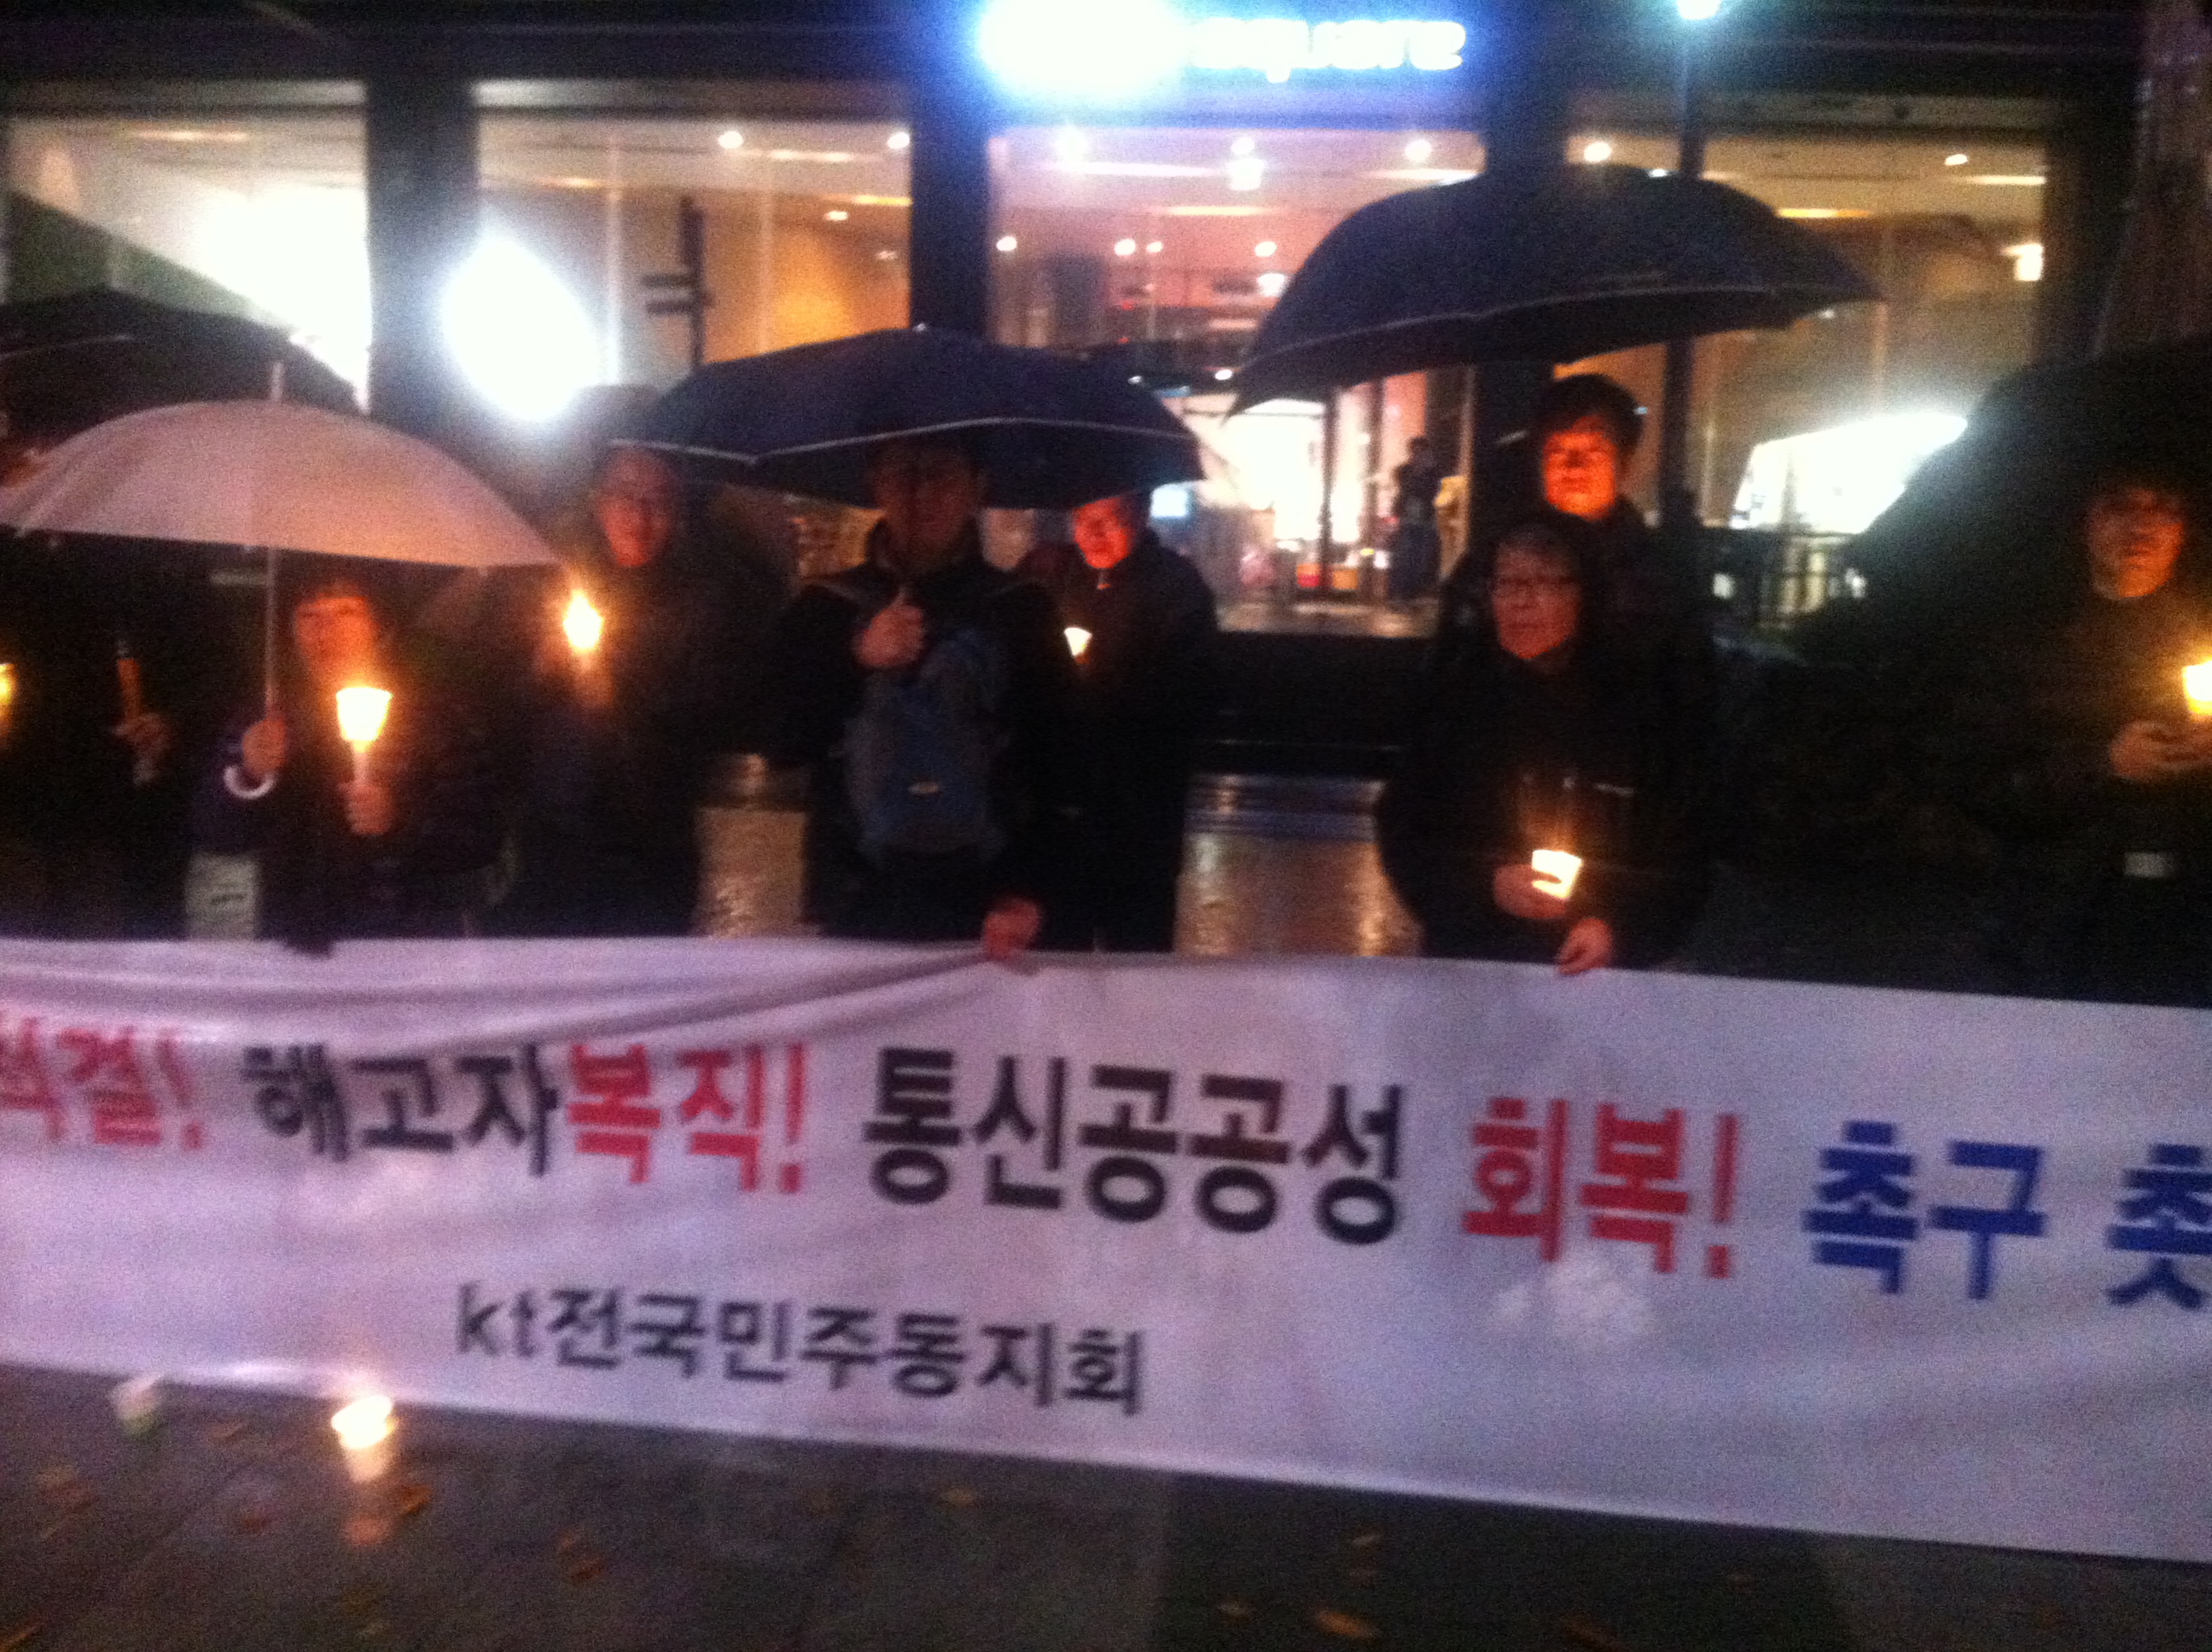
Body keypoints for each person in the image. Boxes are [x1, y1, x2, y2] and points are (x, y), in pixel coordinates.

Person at [765, 437, 1080, 957]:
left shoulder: (1020, 610)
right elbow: (783, 744)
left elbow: (1061, 759)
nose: (922, 493)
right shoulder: (825, 609)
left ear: (976, 487)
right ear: (876, 484)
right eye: (903, 474)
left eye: (942, 475)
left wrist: (1028, 889)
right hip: (858, 894)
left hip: (986, 901)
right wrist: (855, 657)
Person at [1378, 508, 1710, 974]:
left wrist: (1617, 927)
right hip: (1476, 966)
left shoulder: (1640, 711)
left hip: (1598, 976)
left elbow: (1682, 846)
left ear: (1586, 594)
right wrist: (1486, 885)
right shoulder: (1460, 702)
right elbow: (1406, 829)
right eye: (1507, 584)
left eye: (1544, 584)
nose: (1521, 602)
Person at [1947, 459, 2212, 1005]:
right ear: (2085, 522)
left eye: (2164, 511)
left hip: (2189, 919)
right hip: (2056, 919)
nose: (2142, 526)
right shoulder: (2028, 644)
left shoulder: (2202, 632)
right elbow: (1977, 782)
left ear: (2184, 531)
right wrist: (2104, 766)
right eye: (2120, 507)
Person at [492, 445, 765, 936]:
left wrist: (620, 695)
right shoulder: (548, 582)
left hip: (649, 836)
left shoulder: (703, 600)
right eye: (626, 495)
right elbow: (500, 708)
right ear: (598, 500)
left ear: (677, 511)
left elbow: (718, 717)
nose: (639, 516)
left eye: (657, 499)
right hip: (552, 832)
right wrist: (541, 670)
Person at [191, 567, 501, 951]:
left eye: (346, 612)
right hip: (293, 944)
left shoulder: (434, 717)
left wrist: (398, 820)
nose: (325, 630)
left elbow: (480, 836)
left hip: (411, 944)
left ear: (380, 627)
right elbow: (215, 833)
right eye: (308, 615)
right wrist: (248, 774)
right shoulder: (265, 719)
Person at [1019, 490, 1222, 951]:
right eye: (1082, 518)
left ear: (1143, 515)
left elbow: (1194, 695)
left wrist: (1102, 675)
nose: (1093, 534)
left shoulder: (1176, 588)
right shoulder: (1050, 574)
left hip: (1139, 814)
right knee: (1057, 956)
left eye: (1110, 519)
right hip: (1059, 816)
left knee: (1135, 955)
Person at [0, 531, 199, 938]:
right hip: (21, 796)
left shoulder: (146, 550)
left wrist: (176, 723)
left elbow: (206, 664)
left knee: (105, 928)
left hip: (118, 803)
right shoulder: (18, 549)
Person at [1436, 375, 1704, 677]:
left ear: (1626, 463)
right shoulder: (1492, 559)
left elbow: (1689, 677)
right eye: (1558, 451)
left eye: (1593, 451)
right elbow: (1451, 661)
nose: (1573, 467)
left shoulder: (1659, 570)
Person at [1385, 435, 1447, 602]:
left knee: (1420, 558)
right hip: (1407, 519)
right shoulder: (1406, 470)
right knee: (1403, 556)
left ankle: (1411, 593)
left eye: (1421, 452)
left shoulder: (1434, 472)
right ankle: (1399, 593)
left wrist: (1424, 472)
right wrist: (1416, 473)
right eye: (1415, 452)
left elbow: (1431, 492)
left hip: (1425, 520)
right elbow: (1404, 486)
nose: (1417, 455)